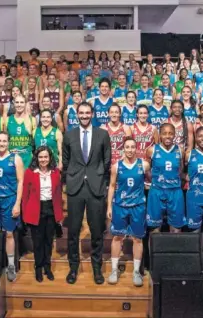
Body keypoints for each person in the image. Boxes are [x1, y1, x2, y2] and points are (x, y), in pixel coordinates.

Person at [62, 102, 111, 285]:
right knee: (73, 231)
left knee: (97, 230)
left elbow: (107, 160)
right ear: (77, 114)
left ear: (92, 114)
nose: (84, 116)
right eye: (81, 113)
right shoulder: (69, 135)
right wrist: (72, 176)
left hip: (95, 186)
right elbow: (66, 160)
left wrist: (98, 177)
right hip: (75, 187)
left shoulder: (103, 134)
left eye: (87, 113)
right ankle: (73, 268)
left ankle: (97, 268)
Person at [106, 136, 150, 287]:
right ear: (123, 149)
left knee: (138, 239)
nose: (130, 150)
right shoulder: (116, 166)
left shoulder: (143, 165)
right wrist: (109, 206)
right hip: (120, 206)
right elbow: (112, 186)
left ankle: (136, 271)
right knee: (117, 237)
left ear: (136, 148)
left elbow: (150, 180)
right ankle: (113, 269)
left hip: (138, 206)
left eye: (132, 147)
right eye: (127, 147)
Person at [0, 132, 24, 282]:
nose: (1, 143)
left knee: (9, 234)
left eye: (4, 141)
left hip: (9, 199)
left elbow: (20, 182)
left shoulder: (16, 159)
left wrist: (17, 204)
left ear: (9, 142)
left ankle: (11, 265)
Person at [22, 146, 64, 282]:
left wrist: (59, 215)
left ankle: (47, 266)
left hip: (51, 209)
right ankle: (38, 267)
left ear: (50, 157)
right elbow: (25, 195)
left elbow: (58, 195)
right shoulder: (30, 172)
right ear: (36, 158)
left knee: (48, 241)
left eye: (46, 157)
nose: (43, 159)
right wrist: (25, 215)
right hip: (36, 210)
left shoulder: (56, 172)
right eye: (41, 157)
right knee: (38, 242)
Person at [146, 123, 186, 232]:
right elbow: (147, 170)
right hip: (157, 191)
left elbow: (181, 170)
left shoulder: (180, 150)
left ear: (174, 135)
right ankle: (155, 250)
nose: (167, 136)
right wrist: (155, 181)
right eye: (164, 133)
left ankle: (174, 250)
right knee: (155, 230)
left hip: (175, 192)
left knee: (176, 229)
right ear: (160, 135)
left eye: (170, 133)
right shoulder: (152, 150)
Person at [3, 95, 35, 170]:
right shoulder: (7, 120)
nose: (19, 105)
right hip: (11, 158)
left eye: (22, 102)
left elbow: (34, 140)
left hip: (27, 159)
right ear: (14, 103)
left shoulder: (32, 120)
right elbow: (5, 140)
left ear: (25, 104)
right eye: (17, 102)